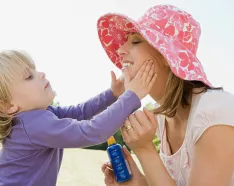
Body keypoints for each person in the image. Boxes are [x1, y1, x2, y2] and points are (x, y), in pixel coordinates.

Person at [98, 4, 234, 186]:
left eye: (136, 41)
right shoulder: (163, 119)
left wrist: (145, 149)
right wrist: (139, 184)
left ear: (166, 56)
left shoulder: (215, 113)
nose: (121, 50)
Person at [0, 50, 156, 186]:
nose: (41, 74)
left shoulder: (40, 116)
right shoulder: (33, 125)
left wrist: (112, 94)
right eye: (29, 76)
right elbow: (91, 131)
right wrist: (131, 96)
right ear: (8, 106)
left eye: (35, 70)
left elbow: (80, 112)